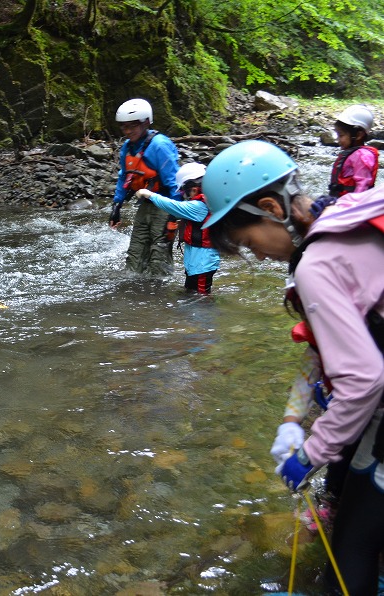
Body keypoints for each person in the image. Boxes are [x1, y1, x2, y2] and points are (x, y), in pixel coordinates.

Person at [202, 139, 384, 595]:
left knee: (351, 550)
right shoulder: (354, 211)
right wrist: (290, 419)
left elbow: (363, 380)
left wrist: (309, 455)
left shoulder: (316, 265)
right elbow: (321, 351)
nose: (258, 256)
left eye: (248, 242)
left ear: (270, 207)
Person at [108, 98, 180, 276]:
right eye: (125, 127)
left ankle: (159, 294)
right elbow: (125, 177)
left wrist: (175, 216)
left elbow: (174, 183)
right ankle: (136, 291)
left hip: (165, 203)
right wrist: (117, 206)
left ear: (146, 122)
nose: (128, 131)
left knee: (159, 253)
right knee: (136, 252)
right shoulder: (127, 147)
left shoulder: (159, 145)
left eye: (133, 125)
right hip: (145, 203)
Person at [134, 162, 220, 295]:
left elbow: (174, 207)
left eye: (184, 191)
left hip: (202, 265)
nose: (183, 195)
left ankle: (204, 315)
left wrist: (150, 195)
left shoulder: (200, 207)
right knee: (191, 294)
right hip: (197, 263)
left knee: (201, 299)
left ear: (194, 188)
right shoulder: (206, 202)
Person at [329, 104, 378, 197]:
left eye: (341, 135)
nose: (338, 139)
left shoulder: (362, 156)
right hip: (342, 202)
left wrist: (353, 209)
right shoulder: (354, 153)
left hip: (352, 206)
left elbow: (362, 188)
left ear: (359, 135)